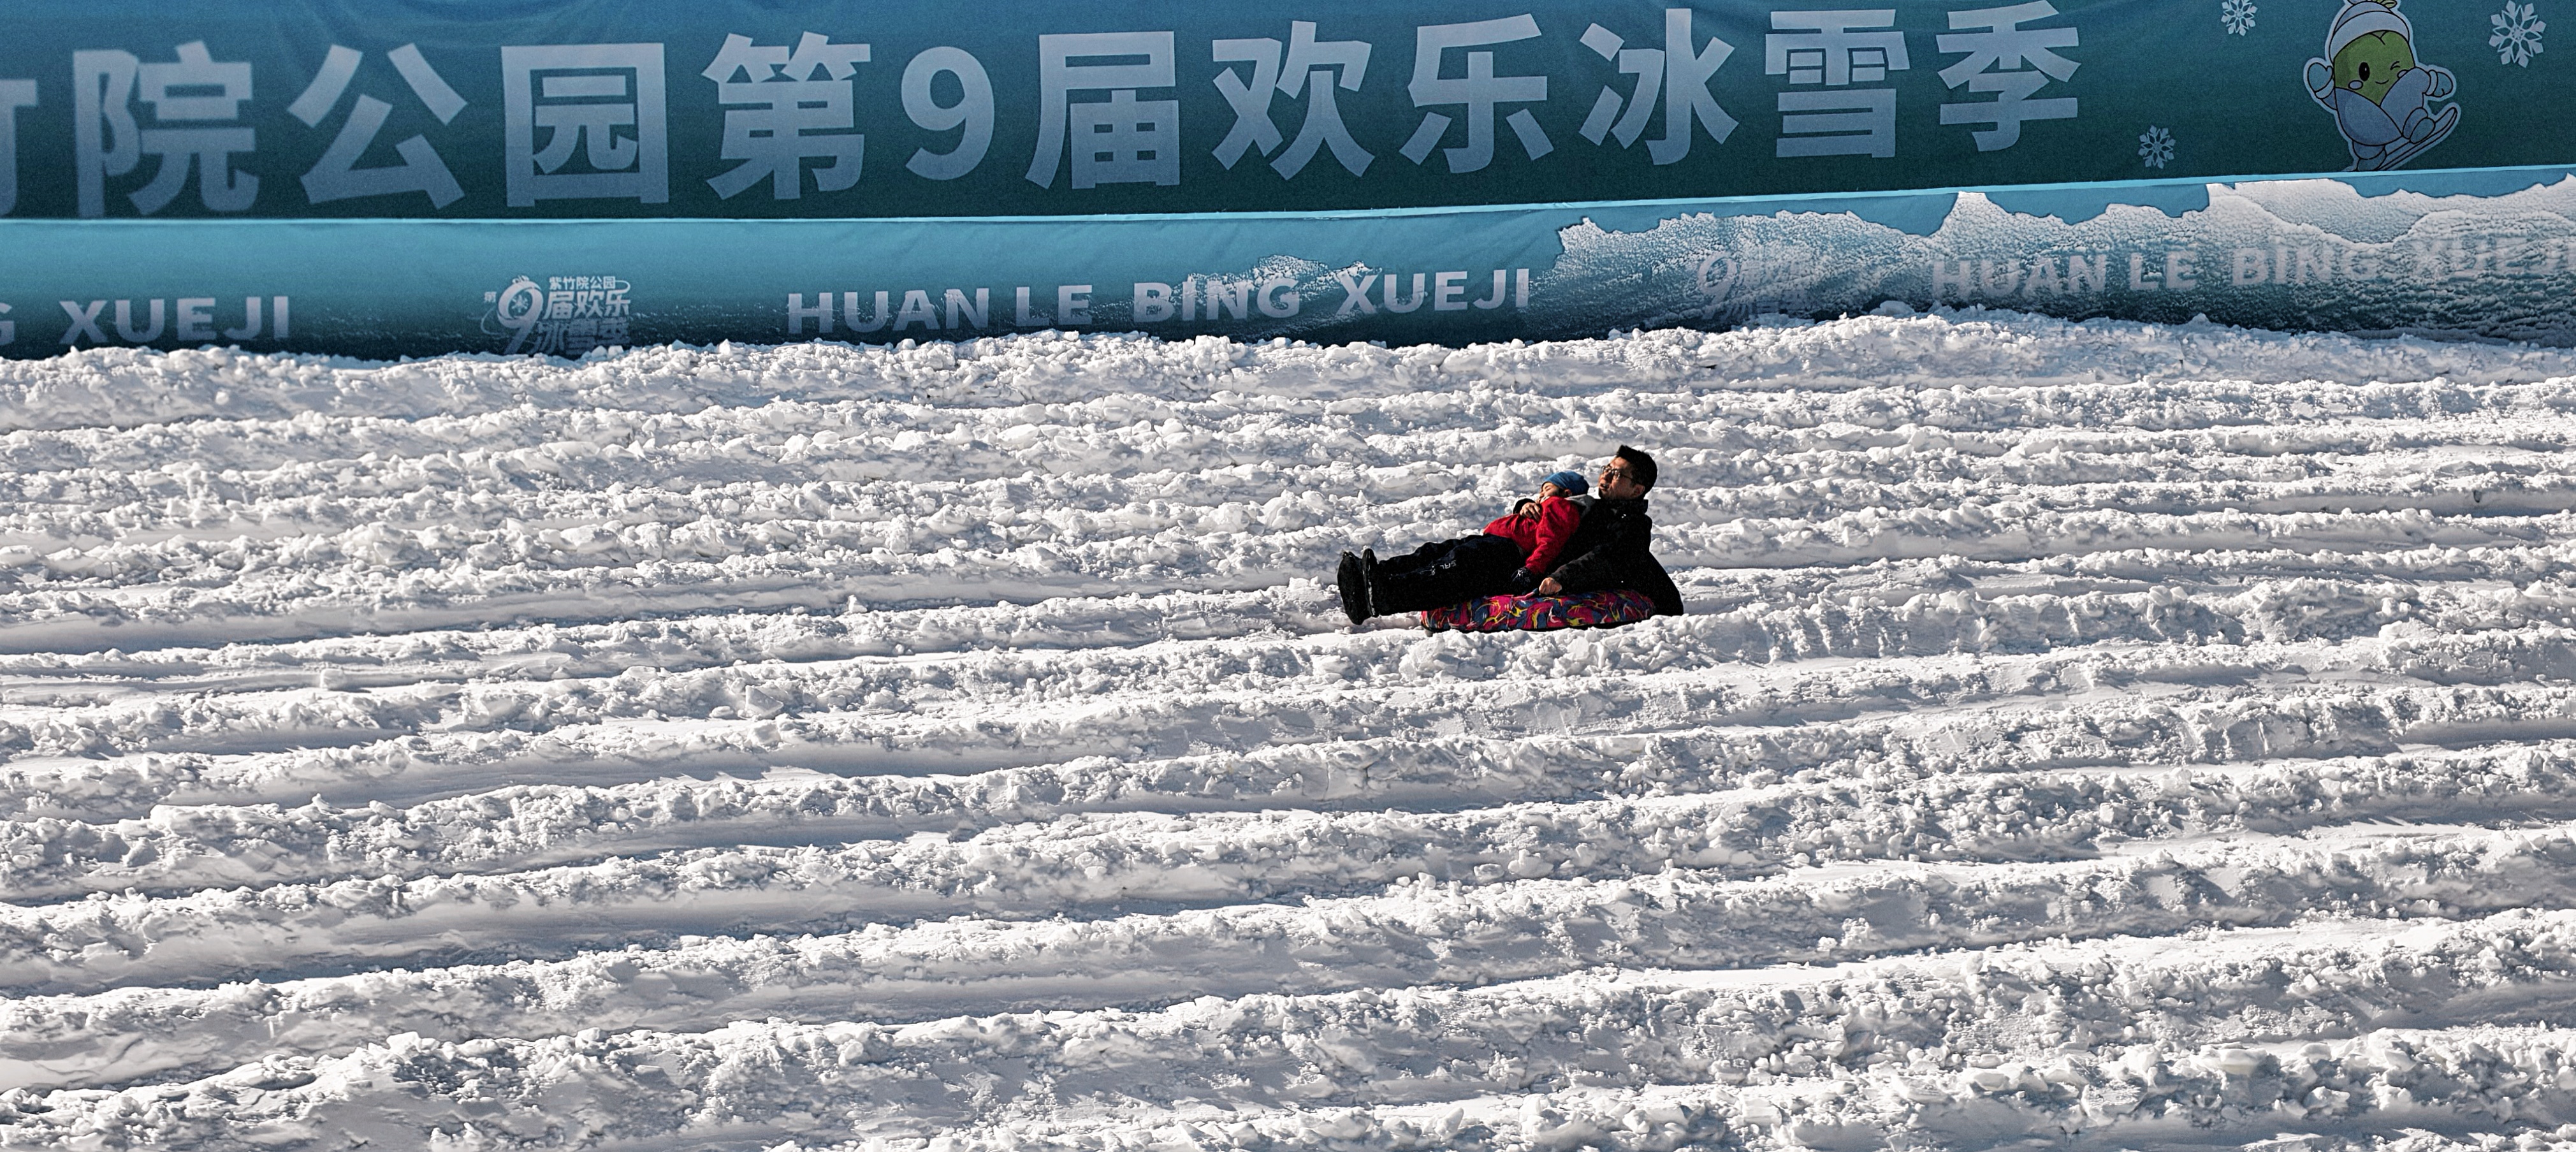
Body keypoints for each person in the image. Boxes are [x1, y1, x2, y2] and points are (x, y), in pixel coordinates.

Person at [1336, 446, 1682, 624]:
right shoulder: (1594, 505)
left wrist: (1559, 577)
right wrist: (1527, 504)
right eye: (1606, 469)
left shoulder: (1632, 526)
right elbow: (1553, 514)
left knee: (1456, 569)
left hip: (1520, 561)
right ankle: (1378, 574)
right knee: (1441, 552)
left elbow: (1607, 557)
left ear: (1638, 489)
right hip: (1513, 545)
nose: (1606, 477)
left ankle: (1379, 599)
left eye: (1617, 475)